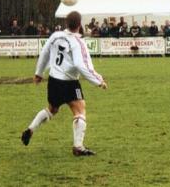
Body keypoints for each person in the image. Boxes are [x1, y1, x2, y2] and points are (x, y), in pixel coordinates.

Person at [21, 11, 108, 156]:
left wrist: (39, 73)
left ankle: (31, 128)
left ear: (66, 24)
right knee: (80, 110)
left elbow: (44, 53)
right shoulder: (78, 42)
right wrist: (98, 81)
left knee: (52, 109)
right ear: (80, 25)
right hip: (70, 83)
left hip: (54, 81)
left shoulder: (55, 36)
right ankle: (78, 147)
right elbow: (82, 65)